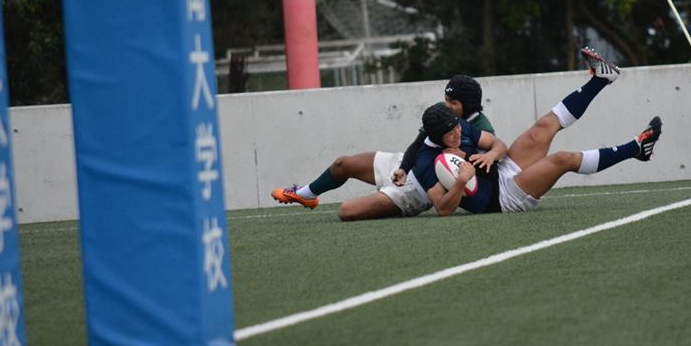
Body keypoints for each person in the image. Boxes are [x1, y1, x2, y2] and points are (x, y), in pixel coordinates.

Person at [408, 48, 662, 216]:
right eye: (451, 133)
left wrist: (491, 155)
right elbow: (443, 209)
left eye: (457, 126)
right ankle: (637, 148)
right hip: (502, 198)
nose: (457, 133)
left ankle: (602, 79)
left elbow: (498, 144)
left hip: (502, 170)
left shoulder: (456, 123)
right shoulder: (425, 161)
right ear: (436, 137)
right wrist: (461, 180)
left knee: (543, 126)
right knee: (562, 159)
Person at [270, 75, 494, 220]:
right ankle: (306, 194)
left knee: (346, 212)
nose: (446, 105)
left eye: (453, 102)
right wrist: (403, 168)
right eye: (445, 99)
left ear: (468, 106)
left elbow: (477, 173)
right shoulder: (441, 112)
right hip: (408, 165)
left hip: (419, 190)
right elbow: (418, 144)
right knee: (342, 164)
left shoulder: (482, 129)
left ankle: (393, 205)